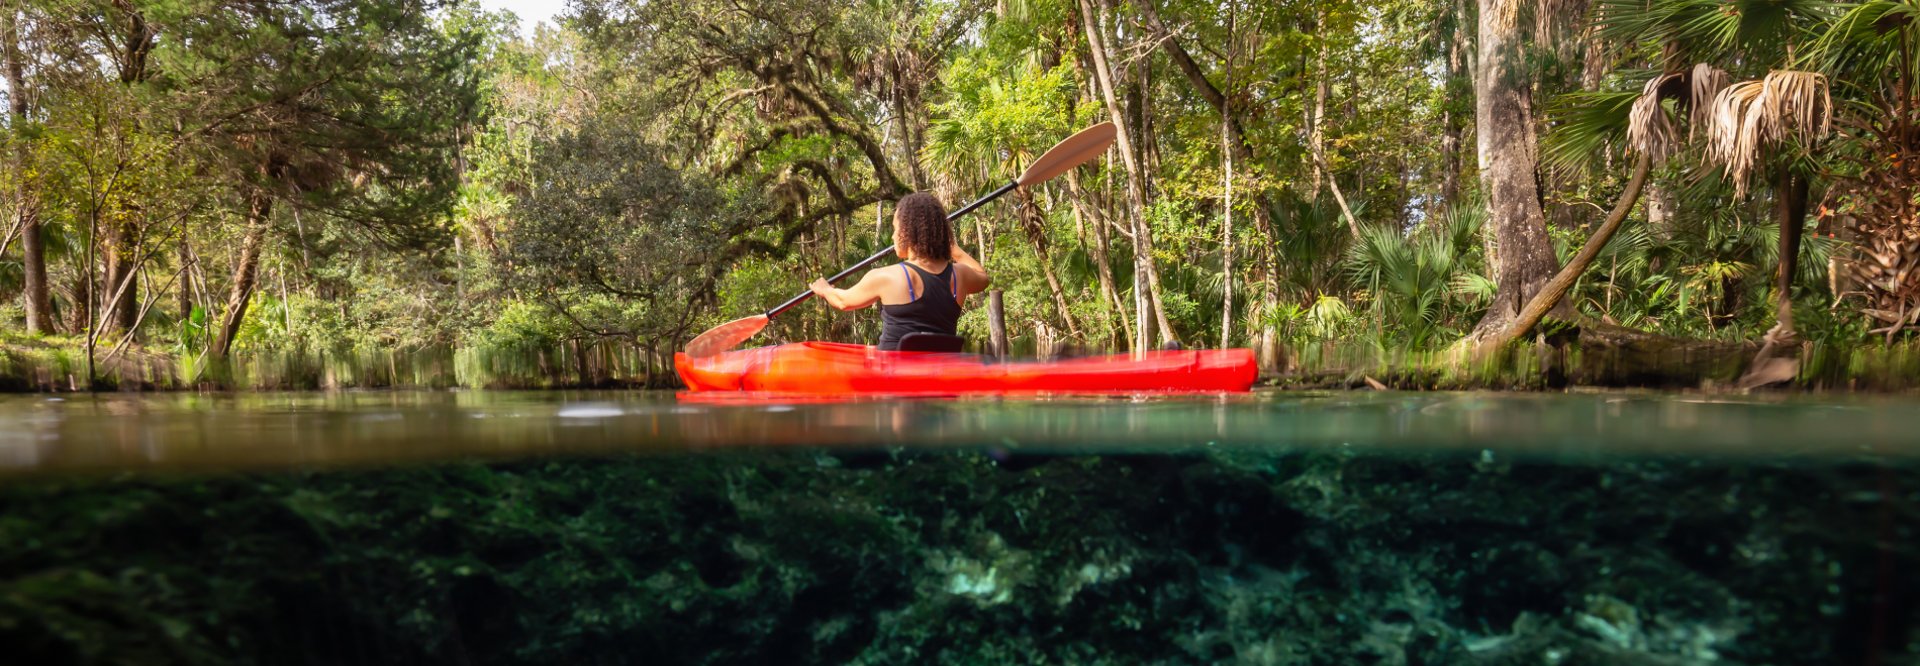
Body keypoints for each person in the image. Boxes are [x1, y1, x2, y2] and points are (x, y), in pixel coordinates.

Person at [809, 192, 991, 350]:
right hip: (939, 383)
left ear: (908, 232)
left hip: (893, 383)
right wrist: (953, 248)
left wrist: (825, 290)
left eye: (895, 229)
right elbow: (983, 277)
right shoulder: (959, 276)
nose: (893, 236)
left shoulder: (887, 277)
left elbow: (842, 301)